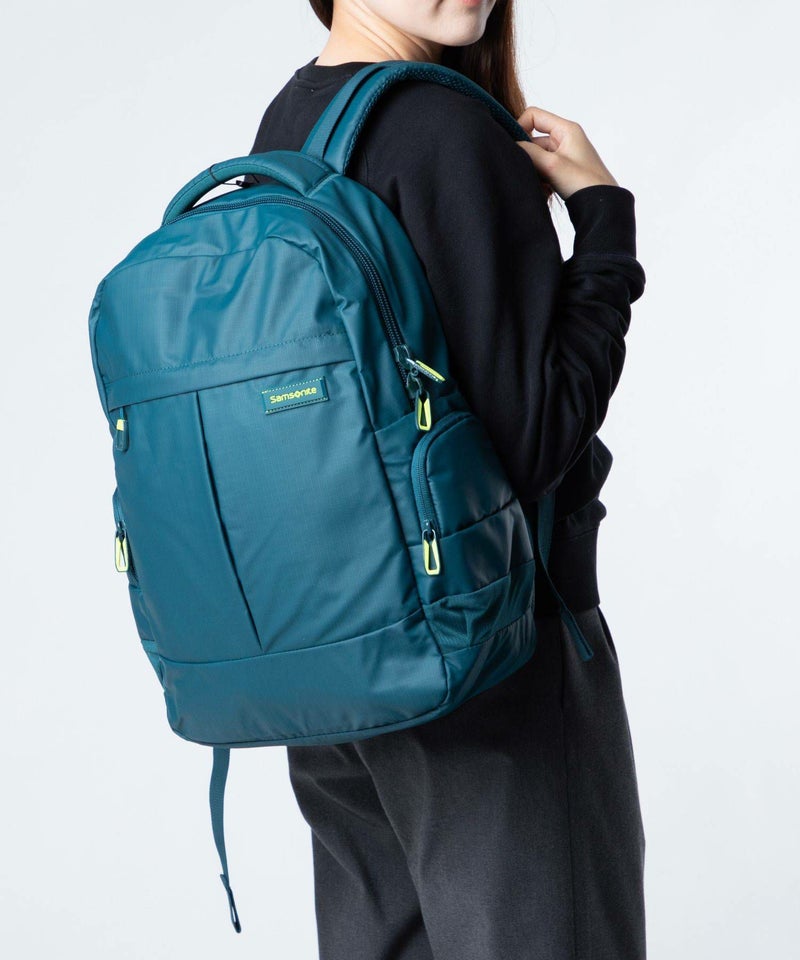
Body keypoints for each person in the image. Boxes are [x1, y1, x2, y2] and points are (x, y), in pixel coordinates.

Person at [241, 1, 647, 957]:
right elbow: (536, 437)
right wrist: (604, 222)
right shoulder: (443, 128)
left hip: (336, 666)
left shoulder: (294, 119)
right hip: (489, 657)